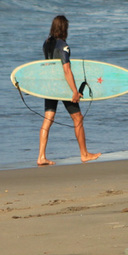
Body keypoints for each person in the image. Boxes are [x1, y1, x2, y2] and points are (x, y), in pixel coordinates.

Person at [37, 15, 101, 166]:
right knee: (77, 118)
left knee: (48, 120)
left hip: (50, 87)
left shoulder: (46, 43)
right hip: (63, 87)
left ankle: (41, 156)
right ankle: (84, 154)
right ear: (64, 28)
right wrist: (74, 91)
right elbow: (66, 69)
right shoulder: (63, 46)